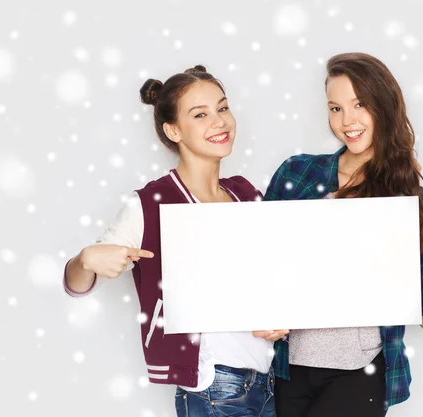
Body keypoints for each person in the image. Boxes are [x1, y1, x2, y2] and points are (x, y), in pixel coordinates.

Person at [264, 52, 423, 417]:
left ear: (383, 108)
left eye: (359, 105)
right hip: (291, 371)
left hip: (360, 374)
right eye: (335, 108)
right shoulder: (297, 174)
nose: (347, 121)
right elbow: (262, 264)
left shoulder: (409, 200)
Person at [63, 65, 287, 417]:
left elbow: (268, 277)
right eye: (200, 115)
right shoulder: (150, 203)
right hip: (214, 388)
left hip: (267, 380)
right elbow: (76, 283)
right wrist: (86, 260)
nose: (219, 121)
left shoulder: (246, 193)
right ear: (173, 130)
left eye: (223, 108)